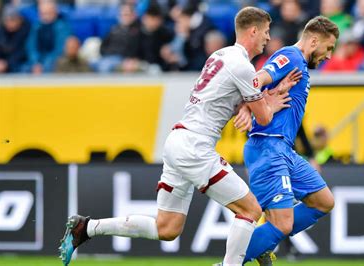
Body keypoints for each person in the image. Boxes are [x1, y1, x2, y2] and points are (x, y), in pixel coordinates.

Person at [58, 7, 300, 266]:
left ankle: (87, 227)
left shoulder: (220, 55)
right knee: (250, 209)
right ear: (253, 31)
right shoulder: (243, 67)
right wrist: (269, 102)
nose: (267, 37)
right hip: (196, 145)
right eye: (265, 31)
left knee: (167, 228)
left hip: (178, 140)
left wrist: (246, 106)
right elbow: (263, 117)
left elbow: (222, 98)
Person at [239, 16, 339, 265]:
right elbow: (258, 78)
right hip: (268, 146)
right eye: (328, 48)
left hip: (284, 149)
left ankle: (264, 241)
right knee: (282, 223)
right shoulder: (291, 56)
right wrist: (248, 106)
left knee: (323, 201)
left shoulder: (300, 66)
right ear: (314, 40)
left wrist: (265, 96)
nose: (328, 56)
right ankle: (231, 262)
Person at [24, 0, 70, 74]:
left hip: (53, 62)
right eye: (43, 14)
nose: (46, 16)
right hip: (38, 62)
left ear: (55, 12)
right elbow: (31, 46)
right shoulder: (36, 26)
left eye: (49, 13)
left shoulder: (62, 27)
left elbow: (60, 49)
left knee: (49, 68)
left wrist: (45, 64)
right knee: (23, 69)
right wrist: (35, 62)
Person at [0, 6, 30, 73]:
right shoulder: (1, 31)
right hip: (3, 63)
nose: (9, 23)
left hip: (20, 62)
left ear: (19, 20)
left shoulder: (26, 30)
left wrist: (7, 63)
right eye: (7, 20)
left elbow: (23, 51)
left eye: (12, 20)